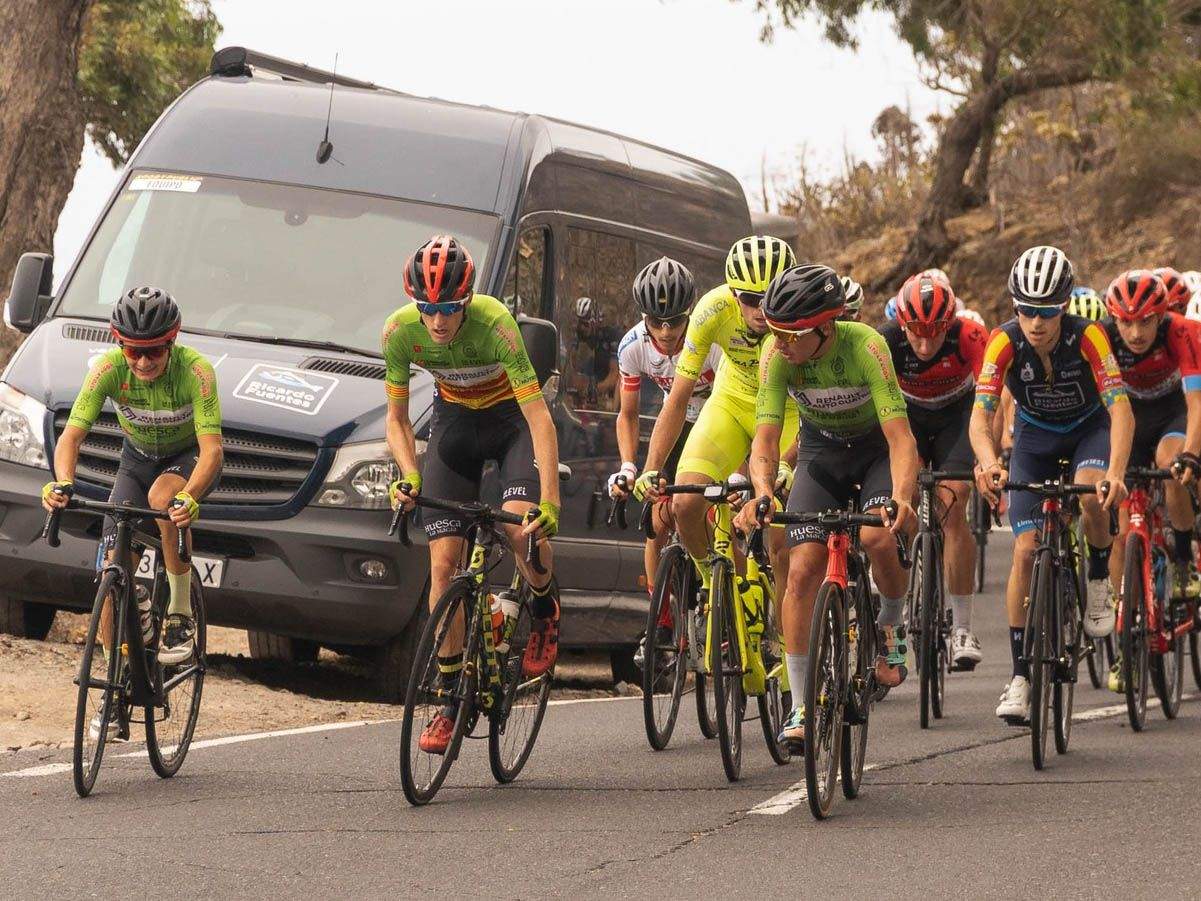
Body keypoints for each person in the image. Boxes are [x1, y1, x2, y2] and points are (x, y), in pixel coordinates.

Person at [383, 235, 561, 755]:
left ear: (467, 301)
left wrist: (549, 501)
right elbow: (396, 419)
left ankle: (546, 610)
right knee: (443, 568)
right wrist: (408, 474)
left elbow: (538, 417)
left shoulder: (497, 325)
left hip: (511, 425)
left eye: (449, 310)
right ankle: (450, 698)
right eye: (428, 310)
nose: (437, 322)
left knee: (516, 524)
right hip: (455, 425)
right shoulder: (398, 333)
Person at [736, 264, 918, 747]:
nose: (779, 344)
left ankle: (892, 623)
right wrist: (763, 491)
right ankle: (800, 701)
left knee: (877, 537)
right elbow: (767, 440)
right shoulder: (776, 357)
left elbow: (901, 438)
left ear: (824, 327)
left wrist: (901, 498)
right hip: (822, 454)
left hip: (875, 449)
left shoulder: (866, 347)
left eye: (789, 334)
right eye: (773, 332)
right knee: (801, 571)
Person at [42, 287, 224, 735]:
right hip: (136, 460)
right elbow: (71, 437)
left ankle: (180, 612)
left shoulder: (196, 373)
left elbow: (213, 451)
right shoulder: (106, 369)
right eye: (134, 351)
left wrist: (191, 497)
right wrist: (62, 481)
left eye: (154, 352)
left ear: (172, 341)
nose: (143, 362)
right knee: (110, 568)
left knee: (164, 499)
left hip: (186, 461)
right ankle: (114, 683)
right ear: (119, 343)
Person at [970, 245, 1132, 724]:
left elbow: (1120, 409)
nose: (1035, 322)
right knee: (1024, 550)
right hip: (1035, 437)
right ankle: (1020, 674)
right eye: (1025, 310)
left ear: (1063, 306)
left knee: (1090, 494)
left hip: (1089, 430)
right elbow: (980, 416)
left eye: (1045, 311)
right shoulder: (1003, 342)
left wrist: (1117, 473)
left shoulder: (1090, 338)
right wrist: (988, 462)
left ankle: (1099, 573)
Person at [633, 236, 801, 595]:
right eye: (749, 300)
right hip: (731, 402)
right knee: (685, 502)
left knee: (779, 540)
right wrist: (650, 467)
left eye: (768, 299)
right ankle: (716, 585)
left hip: (786, 413)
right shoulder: (712, 310)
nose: (759, 310)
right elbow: (677, 400)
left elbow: (816, 405)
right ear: (733, 294)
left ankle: (789, 646)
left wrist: (787, 461)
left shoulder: (799, 318)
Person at [607, 257, 720, 660]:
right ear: (644, 318)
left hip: (716, 420)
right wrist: (628, 466)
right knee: (655, 520)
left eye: (675, 321)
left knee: (711, 507)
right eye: (658, 322)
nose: (668, 332)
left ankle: (720, 589)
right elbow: (629, 414)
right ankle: (661, 619)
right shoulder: (632, 347)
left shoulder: (711, 342)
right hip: (675, 424)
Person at [881, 272, 989, 668]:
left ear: (950, 324)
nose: (926, 345)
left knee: (953, 507)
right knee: (900, 497)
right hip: (907, 418)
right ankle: (903, 566)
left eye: (935, 333)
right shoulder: (887, 340)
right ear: (903, 324)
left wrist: (990, 451)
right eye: (917, 334)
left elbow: (994, 395)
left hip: (955, 419)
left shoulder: (970, 336)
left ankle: (962, 627)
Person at [1101, 271, 1201, 686]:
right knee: (1124, 532)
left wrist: (1192, 455)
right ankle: (1124, 637)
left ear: (1162, 317)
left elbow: (1196, 403)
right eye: (1126, 322)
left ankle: (1181, 561)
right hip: (1127, 422)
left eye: (1145, 321)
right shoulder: (1101, 337)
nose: (1135, 332)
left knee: (1171, 465)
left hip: (1171, 415)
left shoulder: (1183, 332)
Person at [570, 295, 620, 408]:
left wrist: (593, 390)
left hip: (613, 380)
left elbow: (614, 375)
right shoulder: (579, 334)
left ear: (595, 323)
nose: (581, 328)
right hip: (596, 372)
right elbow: (572, 366)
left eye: (585, 324)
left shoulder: (610, 336)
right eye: (579, 324)